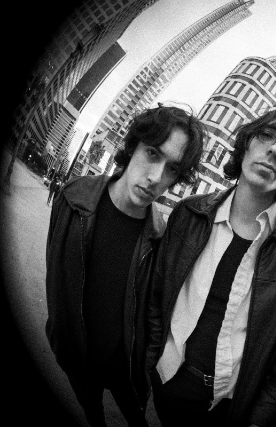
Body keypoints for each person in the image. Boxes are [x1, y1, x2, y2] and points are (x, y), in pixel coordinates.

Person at [146, 106, 276, 427]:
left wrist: (259, 417)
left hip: (231, 408)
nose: (275, 149)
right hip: (166, 382)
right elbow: (156, 295)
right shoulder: (189, 214)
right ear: (246, 143)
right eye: (267, 135)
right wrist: (150, 362)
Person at [45, 104, 206, 427]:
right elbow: (55, 273)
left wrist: (144, 365)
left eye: (172, 169)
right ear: (133, 147)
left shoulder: (160, 238)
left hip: (128, 370)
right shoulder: (74, 199)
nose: (156, 177)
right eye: (152, 154)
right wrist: (60, 334)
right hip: (78, 355)